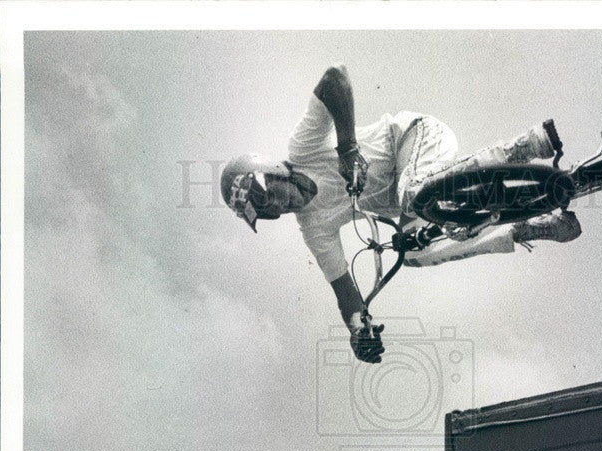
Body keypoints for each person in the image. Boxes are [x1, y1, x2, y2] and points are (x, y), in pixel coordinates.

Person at [220, 65, 580, 364]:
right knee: (415, 252)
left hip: (414, 137)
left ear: (272, 171)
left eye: (271, 196)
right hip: (418, 197)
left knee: (413, 192)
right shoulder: (313, 228)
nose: (279, 207)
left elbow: (334, 77)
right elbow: (344, 290)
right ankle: (527, 229)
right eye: (269, 213)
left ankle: (525, 146)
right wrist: (358, 332)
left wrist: (347, 149)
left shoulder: (304, 147)